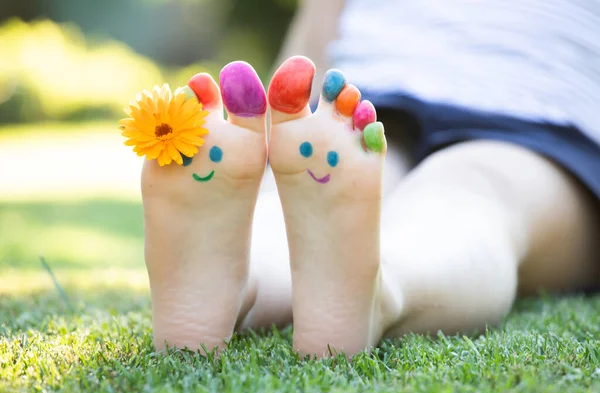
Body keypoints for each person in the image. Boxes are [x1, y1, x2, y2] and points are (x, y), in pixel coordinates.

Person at [123, 0, 600, 358]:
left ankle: (249, 280)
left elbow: (313, 36)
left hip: (385, 94)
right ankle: (371, 293)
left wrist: (277, 125)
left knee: (320, 197)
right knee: (470, 198)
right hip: (528, 107)